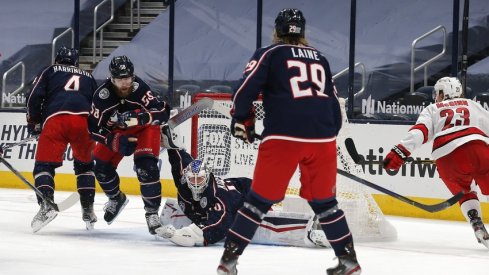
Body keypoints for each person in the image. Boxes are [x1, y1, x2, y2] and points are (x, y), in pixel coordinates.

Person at [216, 8, 361, 275]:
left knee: (258, 202)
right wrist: (326, 135)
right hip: (324, 139)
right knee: (326, 204)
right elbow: (333, 104)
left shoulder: (269, 53)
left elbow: (244, 90)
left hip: (283, 138)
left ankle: (228, 261)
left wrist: (240, 119)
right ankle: (349, 261)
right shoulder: (320, 57)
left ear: (277, 30)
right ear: (302, 32)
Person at [154, 136, 329, 248]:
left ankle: (312, 229)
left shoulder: (217, 199)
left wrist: (177, 235)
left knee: (262, 223)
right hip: (240, 185)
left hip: (247, 196)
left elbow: (214, 230)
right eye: (192, 180)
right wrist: (171, 141)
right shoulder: (185, 179)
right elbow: (181, 161)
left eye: (199, 180)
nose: (195, 183)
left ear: (206, 178)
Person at [383, 76, 489, 249]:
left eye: (437, 92)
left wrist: (399, 152)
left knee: (466, 192)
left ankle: (476, 221)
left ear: (444, 92)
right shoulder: (471, 104)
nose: (436, 97)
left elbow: (420, 132)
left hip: (446, 156)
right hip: (477, 147)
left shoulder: (432, 109)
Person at [88, 55, 171, 235]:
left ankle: (151, 214)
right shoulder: (102, 97)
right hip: (118, 132)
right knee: (99, 167)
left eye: (127, 78)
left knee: (146, 168)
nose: (124, 83)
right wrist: (112, 140)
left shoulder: (140, 88)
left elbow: (164, 111)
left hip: (144, 129)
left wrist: (144, 117)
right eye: (119, 79)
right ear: (112, 79)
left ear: (132, 76)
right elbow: (93, 129)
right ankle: (116, 198)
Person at [26, 46, 98, 232]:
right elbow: (98, 105)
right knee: (85, 166)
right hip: (84, 122)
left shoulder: (50, 70)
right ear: (76, 62)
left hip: (56, 120)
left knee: (44, 166)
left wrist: (34, 122)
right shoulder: (89, 77)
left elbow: (34, 96)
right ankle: (88, 209)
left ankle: (46, 205)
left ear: (57, 59)